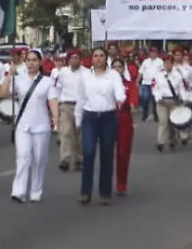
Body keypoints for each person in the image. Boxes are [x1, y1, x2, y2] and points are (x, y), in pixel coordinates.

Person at [1, 48, 57, 203]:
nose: (31, 63)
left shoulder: (47, 81)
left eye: (34, 60)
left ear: (40, 62)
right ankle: (18, 191)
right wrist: (9, 75)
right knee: (23, 156)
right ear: (24, 62)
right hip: (23, 124)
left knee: (39, 159)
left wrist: (56, 118)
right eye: (29, 60)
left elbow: (52, 100)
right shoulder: (18, 79)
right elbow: (3, 93)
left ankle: (36, 190)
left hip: (41, 125)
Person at [77, 46, 125, 205]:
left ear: (106, 58)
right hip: (90, 117)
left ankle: (105, 192)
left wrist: (120, 99)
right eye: (95, 56)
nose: (98, 58)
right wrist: (78, 120)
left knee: (106, 154)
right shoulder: (85, 76)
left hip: (108, 117)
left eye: (101, 56)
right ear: (92, 59)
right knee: (89, 152)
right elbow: (81, 98)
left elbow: (119, 92)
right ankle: (85, 192)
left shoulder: (113, 75)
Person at [50, 49, 85, 172]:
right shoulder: (63, 73)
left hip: (81, 106)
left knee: (79, 135)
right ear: (68, 60)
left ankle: (79, 159)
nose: (74, 60)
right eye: (72, 58)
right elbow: (56, 88)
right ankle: (65, 158)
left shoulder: (86, 73)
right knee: (65, 132)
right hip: (66, 105)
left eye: (77, 58)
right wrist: (55, 104)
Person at [112, 55, 138, 196]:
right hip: (108, 118)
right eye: (114, 67)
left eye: (119, 67)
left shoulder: (129, 85)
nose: (117, 70)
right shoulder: (106, 84)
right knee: (107, 153)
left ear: (123, 69)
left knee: (123, 153)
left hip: (124, 119)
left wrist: (132, 104)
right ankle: (105, 184)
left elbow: (133, 99)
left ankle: (121, 184)